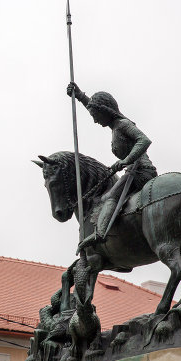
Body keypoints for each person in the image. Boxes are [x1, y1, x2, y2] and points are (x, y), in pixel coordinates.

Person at [67, 82, 158, 248]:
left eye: (95, 115)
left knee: (110, 197)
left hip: (140, 172)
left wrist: (126, 160)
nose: (94, 120)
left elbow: (144, 140)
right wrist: (80, 95)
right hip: (133, 172)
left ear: (105, 111)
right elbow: (93, 106)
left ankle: (100, 234)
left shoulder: (122, 124)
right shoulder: (114, 126)